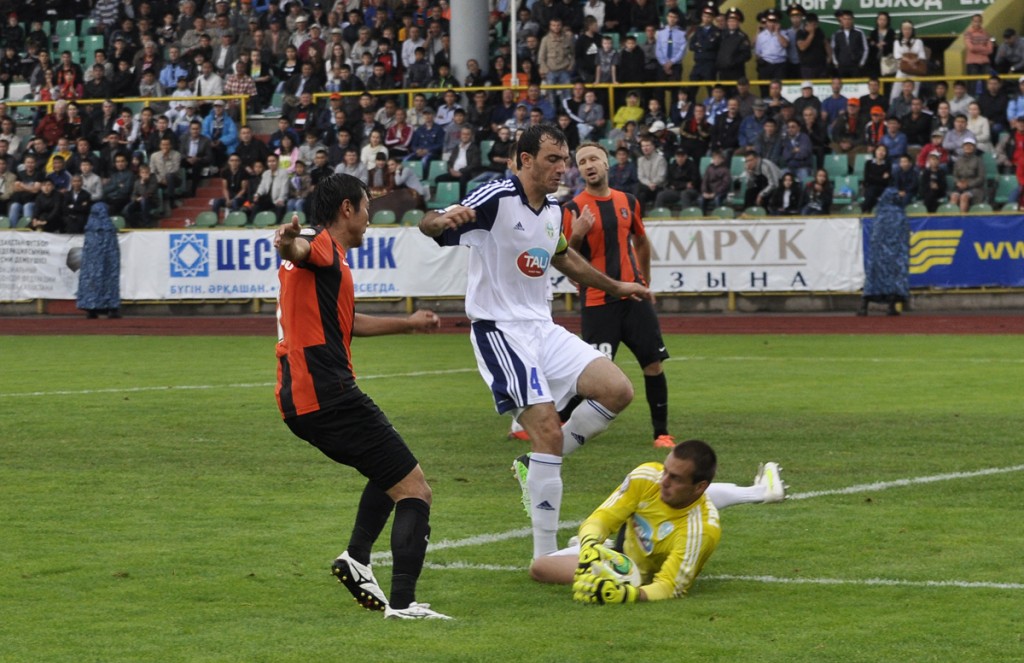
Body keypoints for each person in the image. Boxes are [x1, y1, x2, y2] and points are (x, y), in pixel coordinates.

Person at [418, 124, 652, 560]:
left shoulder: (555, 210)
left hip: (542, 328)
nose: (563, 168)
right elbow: (429, 223)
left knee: (617, 390)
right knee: (545, 429)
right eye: (553, 160)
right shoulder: (497, 197)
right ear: (525, 160)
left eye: (564, 160)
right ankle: (544, 556)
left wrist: (615, 286)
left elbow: (563, 256)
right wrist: (440, 219)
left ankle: (535, 465)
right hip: (500, 329)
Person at [272, 174, 450, 620]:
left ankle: (356, 558)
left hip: (302, 396)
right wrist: (287, 243)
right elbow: (298, 249)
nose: (371, 217)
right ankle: (404, 604)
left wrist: (408, 324)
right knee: (415, 490)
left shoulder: (326, 260)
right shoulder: (321, 246)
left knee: (389, 470)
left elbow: (347, 324)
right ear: (347, 209)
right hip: (328, 393)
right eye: (367, 207)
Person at [529, 439, 786, 602]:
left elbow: (669, 587)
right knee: (539, 567)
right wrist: (588, 546)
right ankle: (760, 491)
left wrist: (627, 594)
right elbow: (601, 519)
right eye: (666, 471)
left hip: (636, 573)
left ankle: (760, 492)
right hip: (620, 552)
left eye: (675, 478)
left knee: (693, 510)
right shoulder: (646, 476)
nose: (664, 481)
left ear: (700, 486)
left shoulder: (700, 531)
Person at [556, 141, 675, 447]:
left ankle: (661, 433)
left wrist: (644, 281)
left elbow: (642, 241)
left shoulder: (628, 201)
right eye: (582, 162)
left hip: (634, 301)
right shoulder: (572, 209)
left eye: (593, 159)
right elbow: (566, 257)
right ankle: (551, 423)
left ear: (607, 163)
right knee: (592, 376)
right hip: (598, 303)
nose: (588, 165)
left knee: (653, 364)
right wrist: (578, 233)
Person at [858, 189, 909, 316]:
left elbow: (874, 236)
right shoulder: (900, 214)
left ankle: (864, 306)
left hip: (878, 254)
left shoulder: (880, 213)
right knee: (894, 278)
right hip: (895, 253)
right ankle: (891, 306)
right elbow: (903, 236)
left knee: (873, 278)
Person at [76, 203, 121, 319]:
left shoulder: (90, 228)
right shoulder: (109, 228)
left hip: (91, 264)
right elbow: (113, 248)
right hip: (108, 263)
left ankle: (91, 307)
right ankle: (111, 306)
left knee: (91, 283)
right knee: (109, 282)